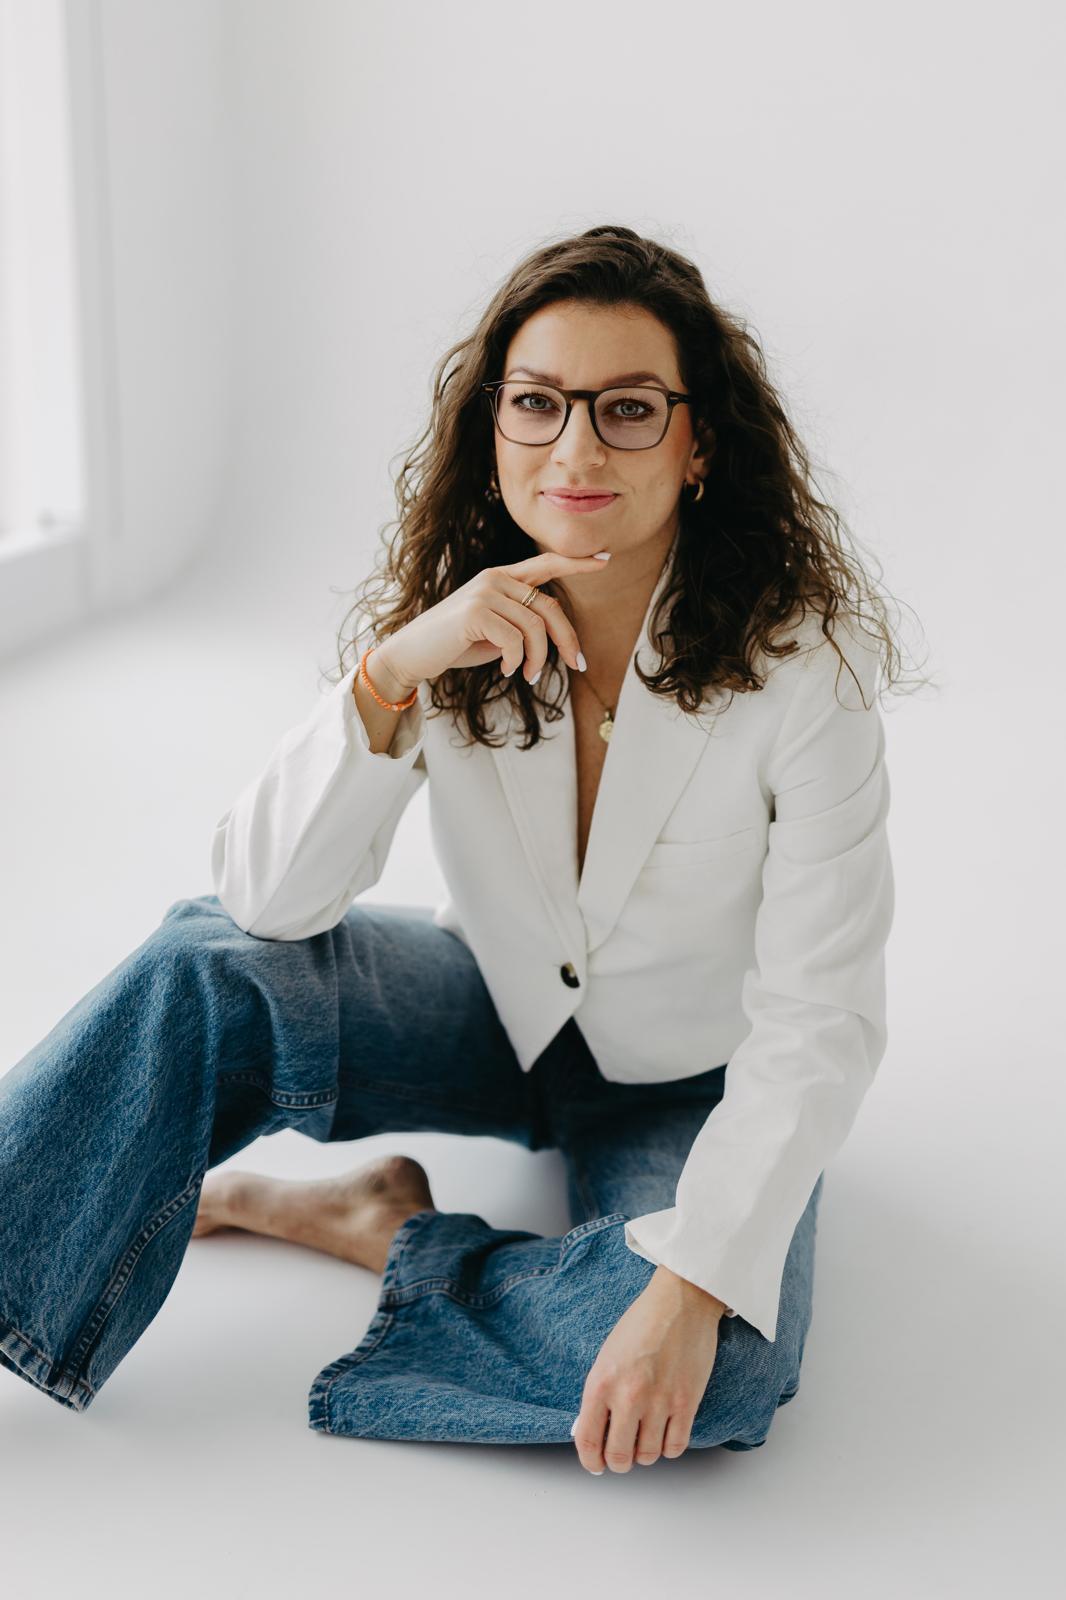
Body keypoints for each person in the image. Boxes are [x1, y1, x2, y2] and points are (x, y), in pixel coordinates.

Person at [0, 224, 904, 1474]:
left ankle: (375, 1226)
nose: (575, 448)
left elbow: (821, 1019)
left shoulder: (803, 672)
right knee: (203, 962)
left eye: (628, 408)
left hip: (689, 1081)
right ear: (493, 428)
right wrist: (396, 668)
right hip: (494, 1008)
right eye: (536, 404)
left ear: (698, 445)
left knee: (727, 1365)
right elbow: (265, 898)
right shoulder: (456, 623)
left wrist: (690, 1289)